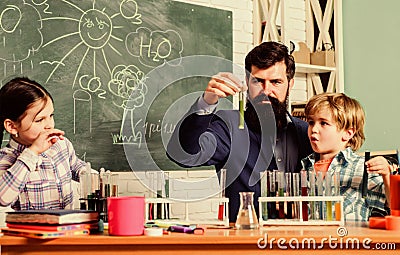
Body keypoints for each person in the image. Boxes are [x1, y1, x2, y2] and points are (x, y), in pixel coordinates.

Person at [167, 41, 313, 222]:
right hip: (245, 240)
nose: (266, 90)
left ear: (290, 85)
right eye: (258, 81)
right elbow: (183, 154)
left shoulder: (307, 133)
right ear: (246, 82)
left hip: (297, 239)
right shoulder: (228, 127)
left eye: (276, 82)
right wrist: (207, 101)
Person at [0, 77, 87, 210]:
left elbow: (76, 166)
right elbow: (3, 198)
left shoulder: (61, 145)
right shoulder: (6, 158)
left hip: (67, 228)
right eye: (39, 120)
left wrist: (94, 177)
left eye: (51, 116)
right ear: (12, 126)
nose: (49, 125)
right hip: (32, 230)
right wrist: (32, 152)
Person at [302, 92, 391, 221]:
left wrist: (387, 175)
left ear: (348, 133)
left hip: (348, 240)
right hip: (310, 240)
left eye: (324, 123)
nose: (314, 129)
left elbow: (394, 204)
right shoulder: (305, 167)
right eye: (311, 122)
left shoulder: (362, 168)